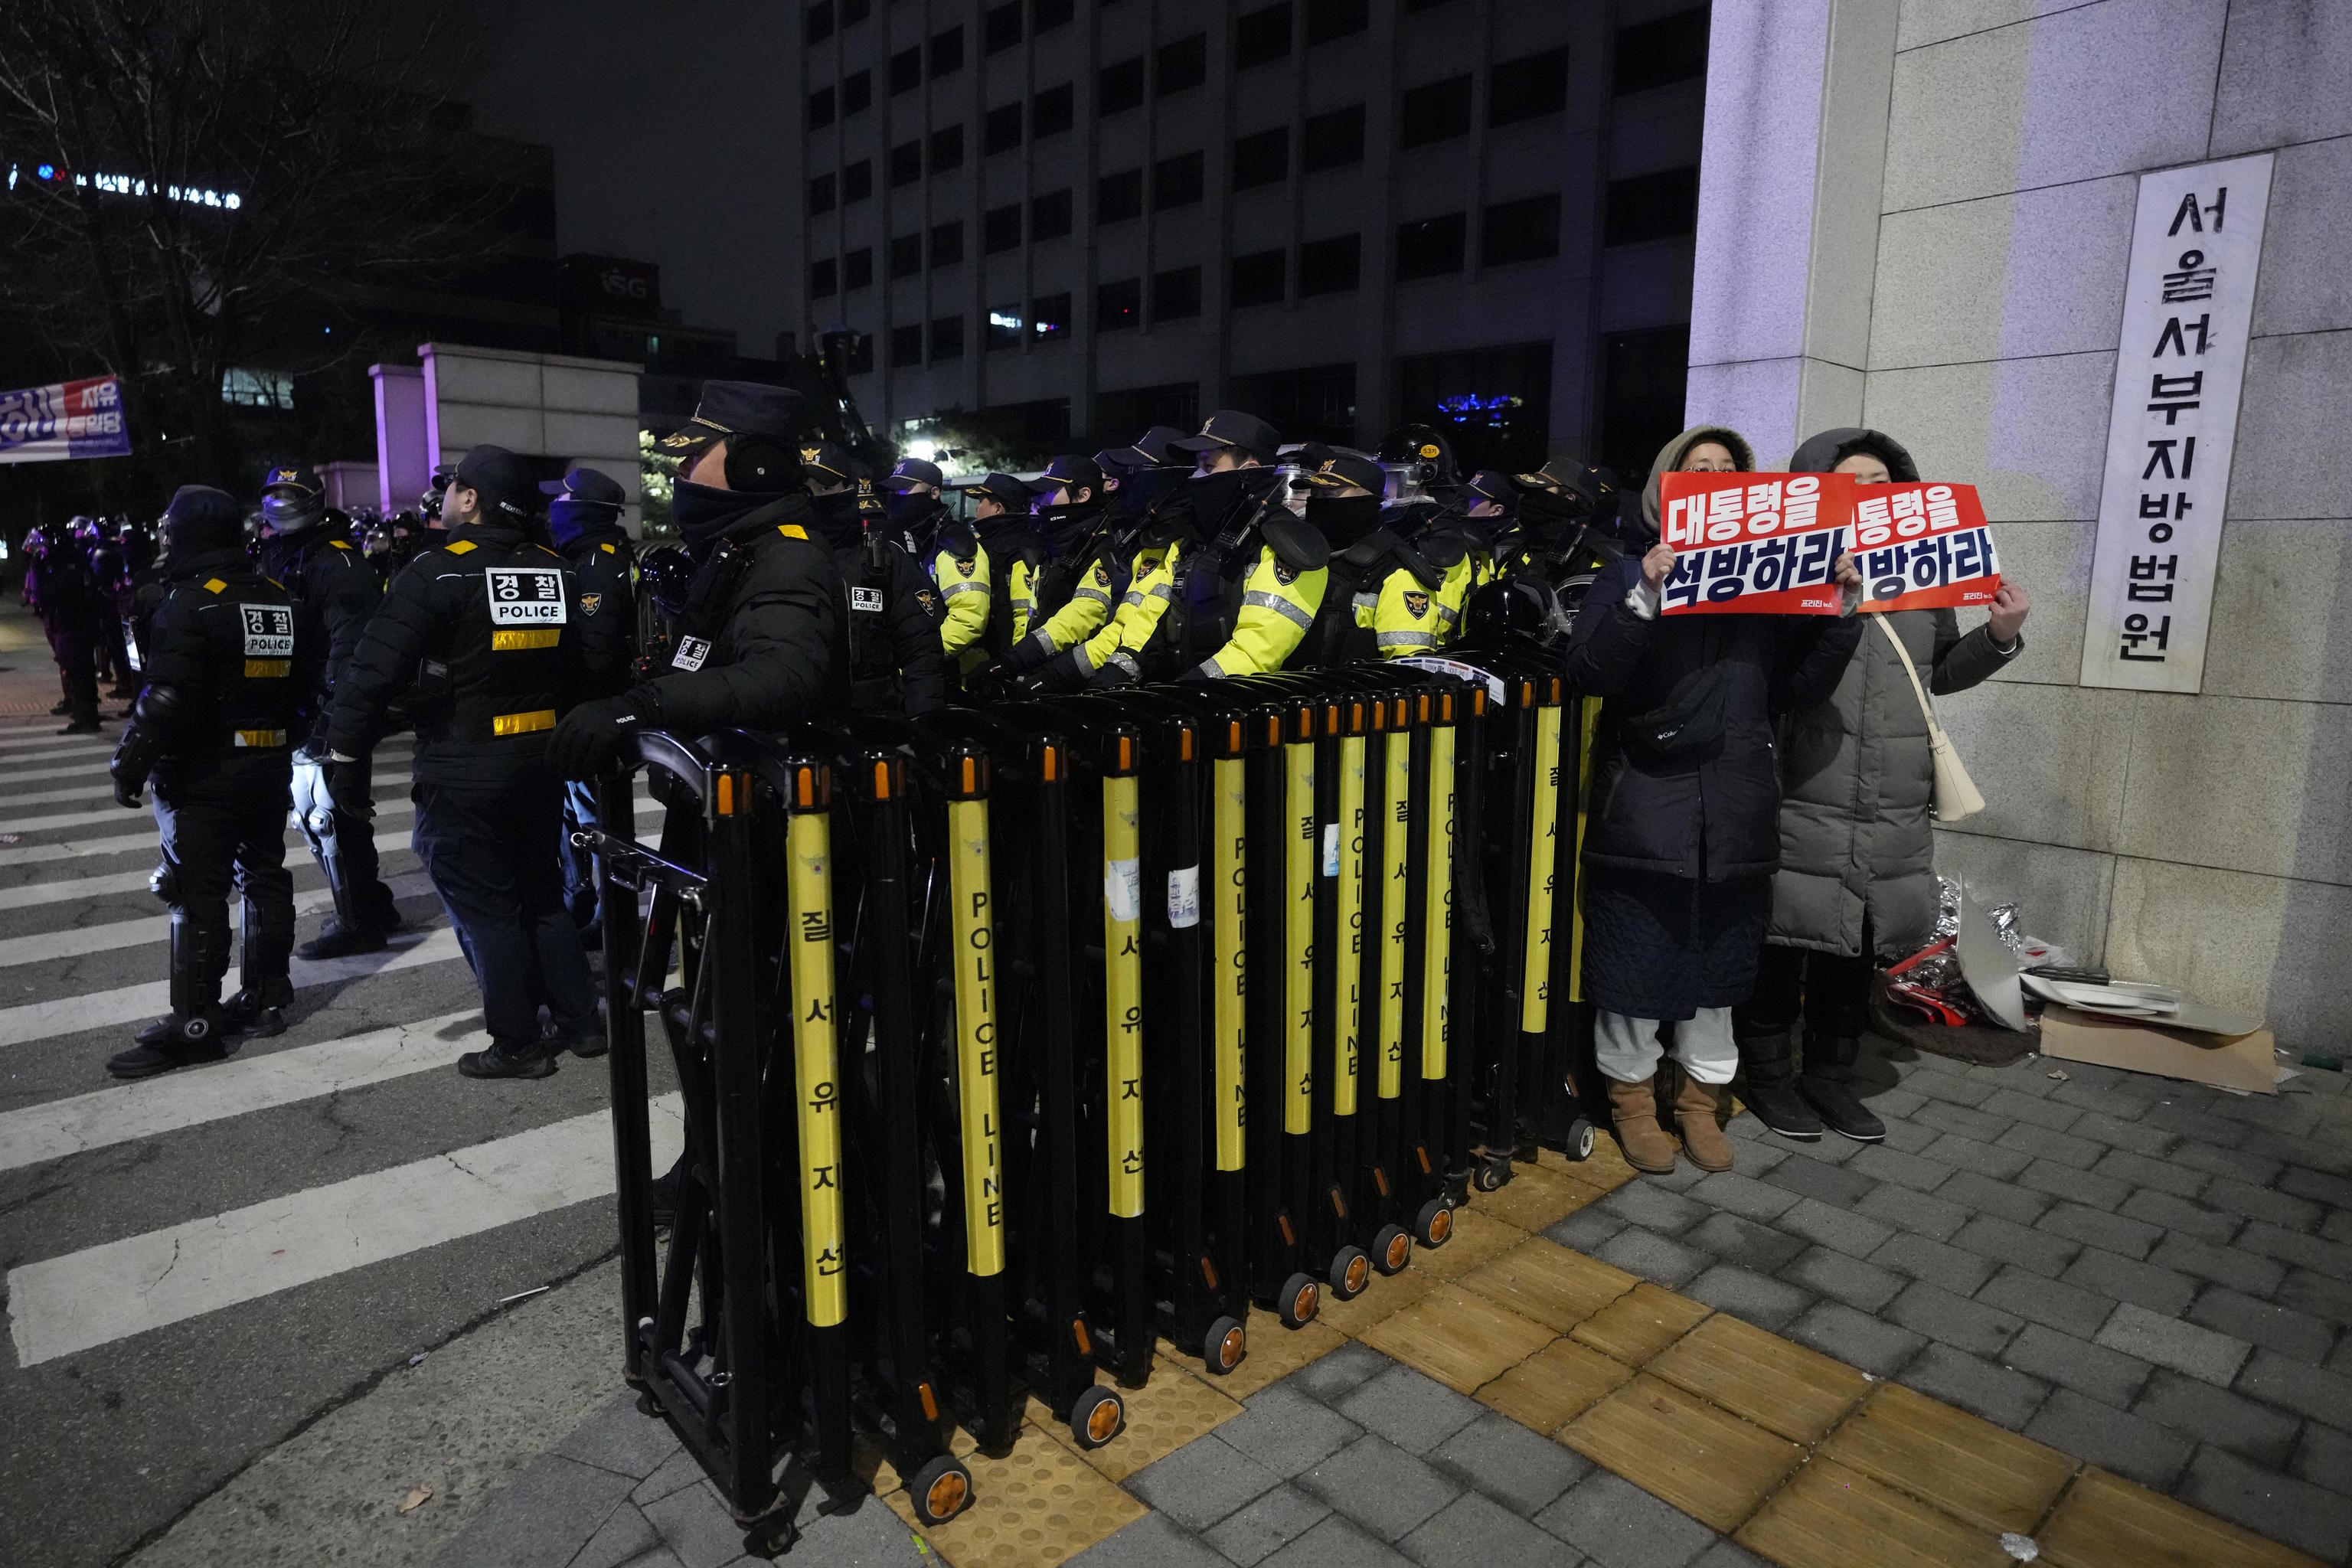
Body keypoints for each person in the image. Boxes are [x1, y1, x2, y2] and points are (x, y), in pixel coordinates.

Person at [1563, 425, 1866, 1177]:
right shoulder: (1628, 571)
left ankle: (1702, 1102)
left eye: (1730, 473)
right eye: (1699, 471)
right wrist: (1646, 595)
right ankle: (1632, 1102)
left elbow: (1795, 691)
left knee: (1720, 975)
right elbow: (1591, 674)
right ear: (1667, 489)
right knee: (1633, 969)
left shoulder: (1769, 594)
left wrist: (1840, 613)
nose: (1716, 480)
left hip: (1734, 812)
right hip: (1646, 810)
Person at [1734, 427, 2031, 1142]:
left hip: (1894, 791)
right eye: (1851, 483)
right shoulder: (1786, 566)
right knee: (1784, 937)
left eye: (1881, 484)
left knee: (1856, 946)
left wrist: (1999, 637)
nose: (1869, 495)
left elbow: (1940, 674)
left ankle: (1830, 1081)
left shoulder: (1926, 574)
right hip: (1808, 779)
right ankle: (1769, 1080)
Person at [321, 446, 613, 1080]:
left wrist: (344, 753)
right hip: (539, 762)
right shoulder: (553, 568)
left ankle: (517, 1044)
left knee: (488, 910)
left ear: (472, 499)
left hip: (465, 767)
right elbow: (577, 668)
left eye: (453, 487)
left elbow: (372, 672)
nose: (447, 497)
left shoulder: (437, 572)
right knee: (541, 895)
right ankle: (582, 1022)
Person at [548, 379, 849, 773]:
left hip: (772, 810)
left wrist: (644, 706)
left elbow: (782, 675)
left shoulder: (788, 553)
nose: (681, 467)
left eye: (696, 453)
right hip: (729, 795)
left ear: (755, 465)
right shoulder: (740, 547)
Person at [106, 485, 303, 1076]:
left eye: (170, 528)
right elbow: (308, 682)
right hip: (268, 764)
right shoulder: (278, 597)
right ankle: (266, 998)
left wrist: (129, 765)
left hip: (205, 771)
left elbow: (167, 697)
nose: (164, 537)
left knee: (197, 893)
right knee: (266, 876)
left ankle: (196, 1024)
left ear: (190, 533)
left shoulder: (187, 602)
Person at [255, 464, 403, 959]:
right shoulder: (278, 555)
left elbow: (353, 650)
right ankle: (373, 905)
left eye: (290, 494)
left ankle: (359, 921)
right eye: (274, 493)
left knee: (331, 817)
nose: (280, 502)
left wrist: (331, 724)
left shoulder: (337, 563)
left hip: (332, 710)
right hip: (299, 708)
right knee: (327, 816)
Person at [542, 466, 640, 936]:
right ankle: (583, 900)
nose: (552, 509)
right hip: (585, 711)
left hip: (594, 710)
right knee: (575, 813)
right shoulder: (586, 556)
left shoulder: (598, 563)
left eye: (560, 501)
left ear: (580, 510)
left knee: (595, 815)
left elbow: (596, 655)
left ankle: (612, 916)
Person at [1172, 410, 1328, 679]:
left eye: (1209, 467)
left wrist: (1192, 685)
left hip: (1243, 703)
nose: (1198, 476)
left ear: (1251, 470)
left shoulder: (1283, 541)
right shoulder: (1201, 532)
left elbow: (1258, 649)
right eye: (1197, 466)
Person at [803, 440, 946, 714]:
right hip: (796, 726)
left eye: (825, 488)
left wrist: (925, 724)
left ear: (848, 491)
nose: (814, 498)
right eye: (805, 489)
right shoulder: (774, 555)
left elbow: (922, 652)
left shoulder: (883, 558)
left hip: (873, 722)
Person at [28, 521, 104, 733]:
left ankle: (86, 718)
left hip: (73, 626)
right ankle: (87, 716)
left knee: (79, 673)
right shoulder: (70, 560)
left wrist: (41, 570)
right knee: (81, 672)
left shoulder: (65, 565)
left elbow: (51, 595)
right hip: (76, 625)